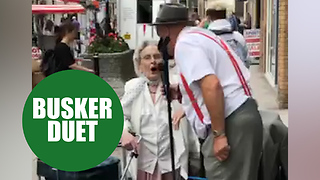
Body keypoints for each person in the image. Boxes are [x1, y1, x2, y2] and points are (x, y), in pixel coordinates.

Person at [153, 3, 263, 180]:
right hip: (242, 114)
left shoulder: (185, 44)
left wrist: (219, 135)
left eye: (159, 33)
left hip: (230, 122)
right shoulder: (201, 36)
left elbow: (212, 85)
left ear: (165, 29)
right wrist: (182, 93)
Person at [120, 40, 199, 180]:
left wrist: (186, 107)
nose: (153, 61)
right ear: (139, 65)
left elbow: (199, 103)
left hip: (171, 163)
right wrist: (124, 132)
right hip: (144, 164)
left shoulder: (176, 85)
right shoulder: (133, 88)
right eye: (147, 57)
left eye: (157, 56)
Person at [206, 4, 251, 69]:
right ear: (225, 15)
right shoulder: (238, 37)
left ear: (208, 18)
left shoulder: (204, 39)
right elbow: (247, 61)